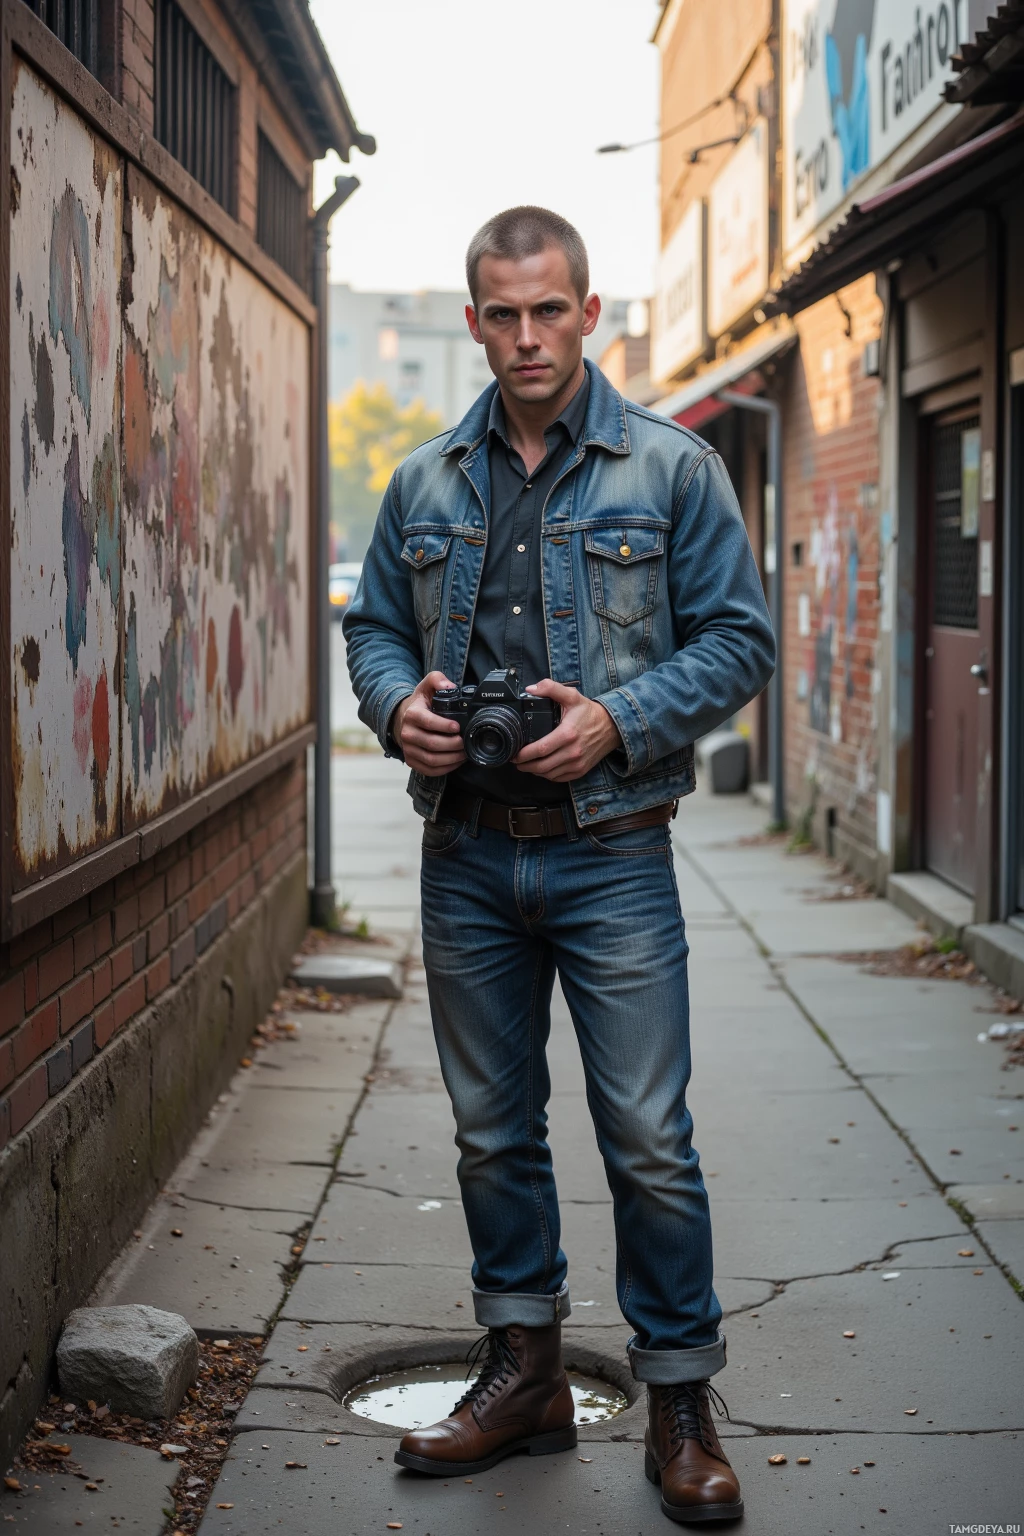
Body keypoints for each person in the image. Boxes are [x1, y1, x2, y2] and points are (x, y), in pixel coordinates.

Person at [343, 206, 774, 1524]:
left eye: (550, 310)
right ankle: (522, 1370)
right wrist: (394, 708)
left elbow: (741, 640)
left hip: (614, 857)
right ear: (473, 321)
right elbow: (369, 629)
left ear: (589, 312)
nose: (527, 337)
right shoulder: (423, 481)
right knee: (491, 1136)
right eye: (503, 314)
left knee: (648, 1138)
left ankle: (683, 1399)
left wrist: (617, 720)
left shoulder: (672, 470)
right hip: (466, 855)